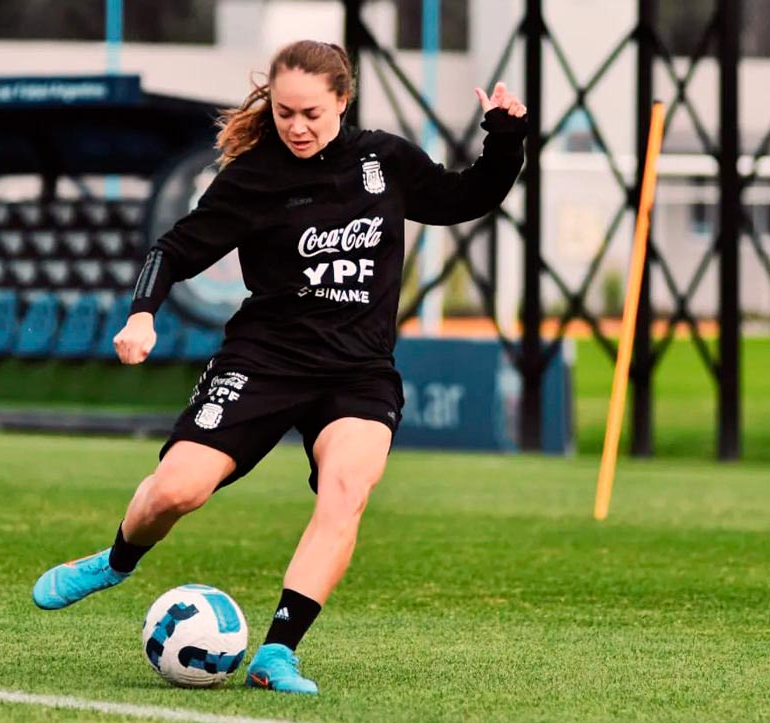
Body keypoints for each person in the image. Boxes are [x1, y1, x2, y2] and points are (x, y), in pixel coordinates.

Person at [33, 39, 527, 695]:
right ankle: (116, 559)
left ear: (343, 103)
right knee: (179, 489)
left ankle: (276, 653)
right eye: (285, 112)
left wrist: (506, 136)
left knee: (347, 489)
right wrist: (142, 313)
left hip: (357, 372)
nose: (296, 127)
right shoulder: (255, 176)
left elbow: (467, 196)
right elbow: (174, 248)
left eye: (312, 114)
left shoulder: (384, 161)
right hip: (265, 360)